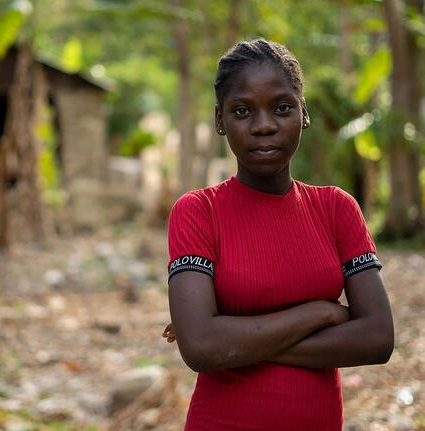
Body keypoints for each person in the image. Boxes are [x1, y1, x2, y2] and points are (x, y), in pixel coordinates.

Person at [163, 39, 394, 431]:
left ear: (303, 114)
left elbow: (377, 338)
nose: (265, 125)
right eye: (242, 111)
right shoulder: (198, 211)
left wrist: (234, 337)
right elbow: (201, 347)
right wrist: (321, 312)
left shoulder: (336, 208)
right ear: (220, 121)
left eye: (282, 107)